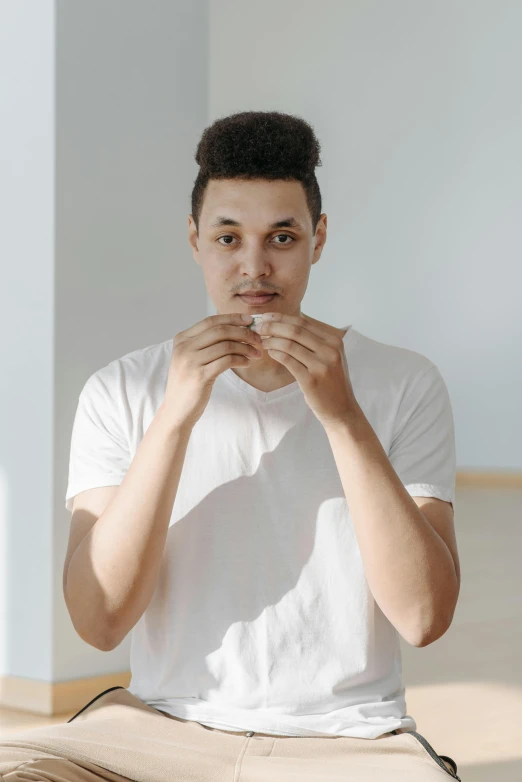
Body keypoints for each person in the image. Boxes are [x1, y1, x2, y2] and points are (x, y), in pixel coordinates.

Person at [0, 111, 461, 781]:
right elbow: (99, 622)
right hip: (160, 729)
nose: (255, 266)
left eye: (281, 236)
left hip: (348, 741)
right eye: (227, 237)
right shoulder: (122, 389)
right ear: (195, 240)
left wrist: (342, 418)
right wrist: (176, 417)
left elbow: (423, 617)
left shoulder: (403, 382)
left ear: (318, 238)